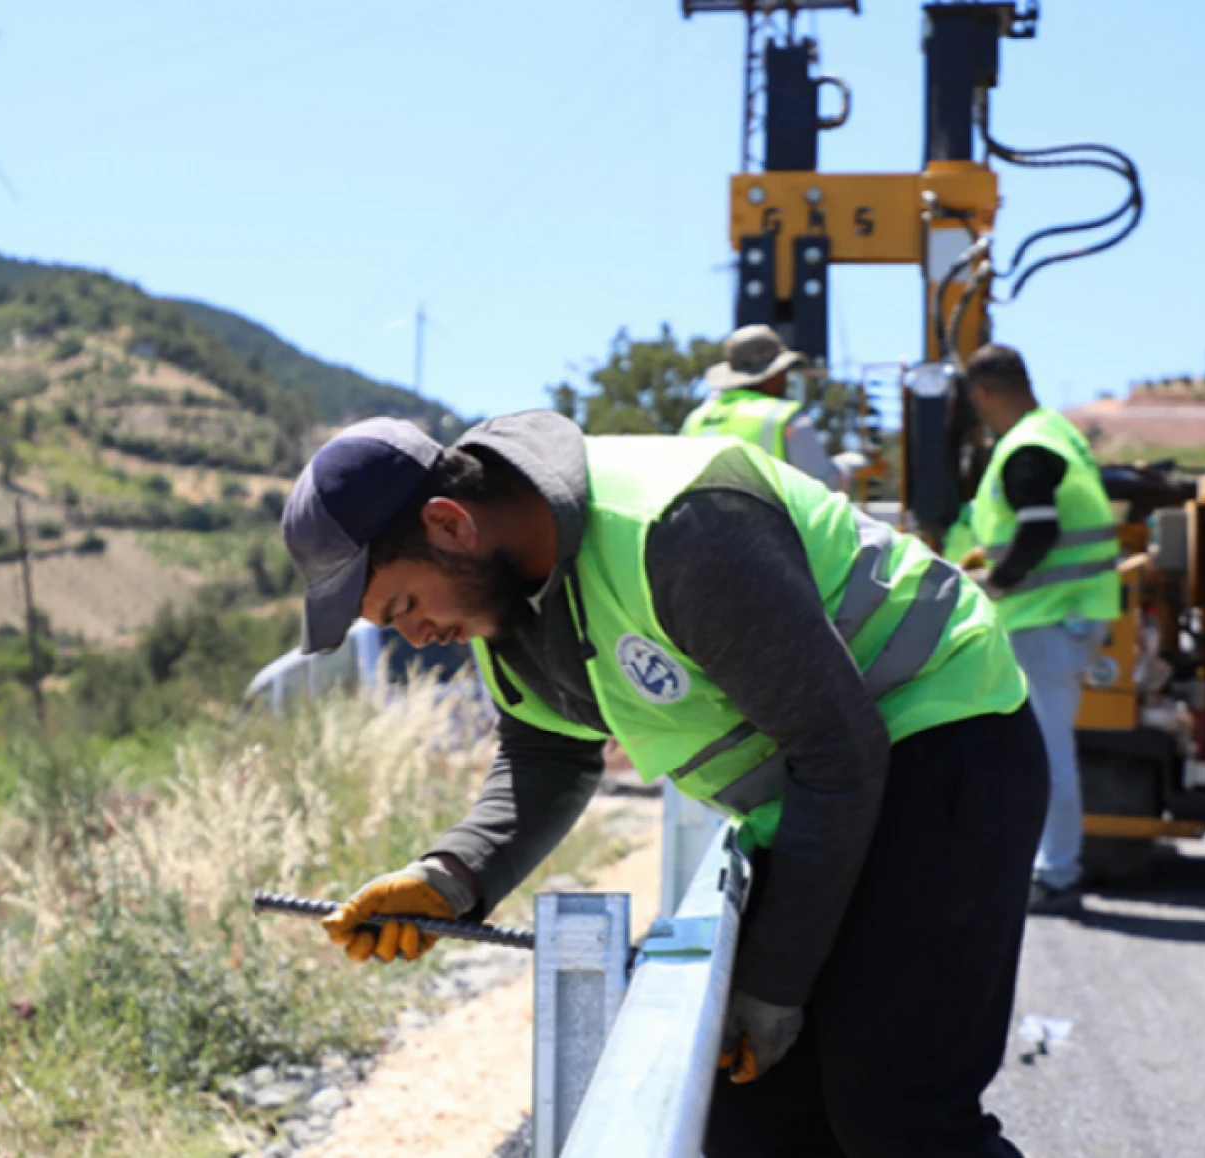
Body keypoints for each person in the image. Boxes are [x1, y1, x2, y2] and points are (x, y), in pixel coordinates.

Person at [281, 409, 1049, 1156]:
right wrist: (451, 874)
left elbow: (839, 751)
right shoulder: (501, 598)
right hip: (820, 797)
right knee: (757, 1126)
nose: (418, 635)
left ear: (451, 524)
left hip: (944, 741)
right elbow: (547, 754)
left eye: (406, 605)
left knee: (898, 1113)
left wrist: (774, 985)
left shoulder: (678, 531)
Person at [960, 344, 1120, 913]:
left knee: (1044, 753)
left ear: (982, 394)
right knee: (1042, 749)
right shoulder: (1053, 431)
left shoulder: (1026, 449)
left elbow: (1039, 531)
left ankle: (1057, 876)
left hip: (1048, 617)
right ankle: (1050, 867)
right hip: (1063, 614)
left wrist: (995, 584)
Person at [682, 324, 847, 491]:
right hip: (771, 517)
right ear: (772, 375)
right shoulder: (786, 417)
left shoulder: (695, 420)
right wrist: (848, 467)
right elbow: (823, 485)